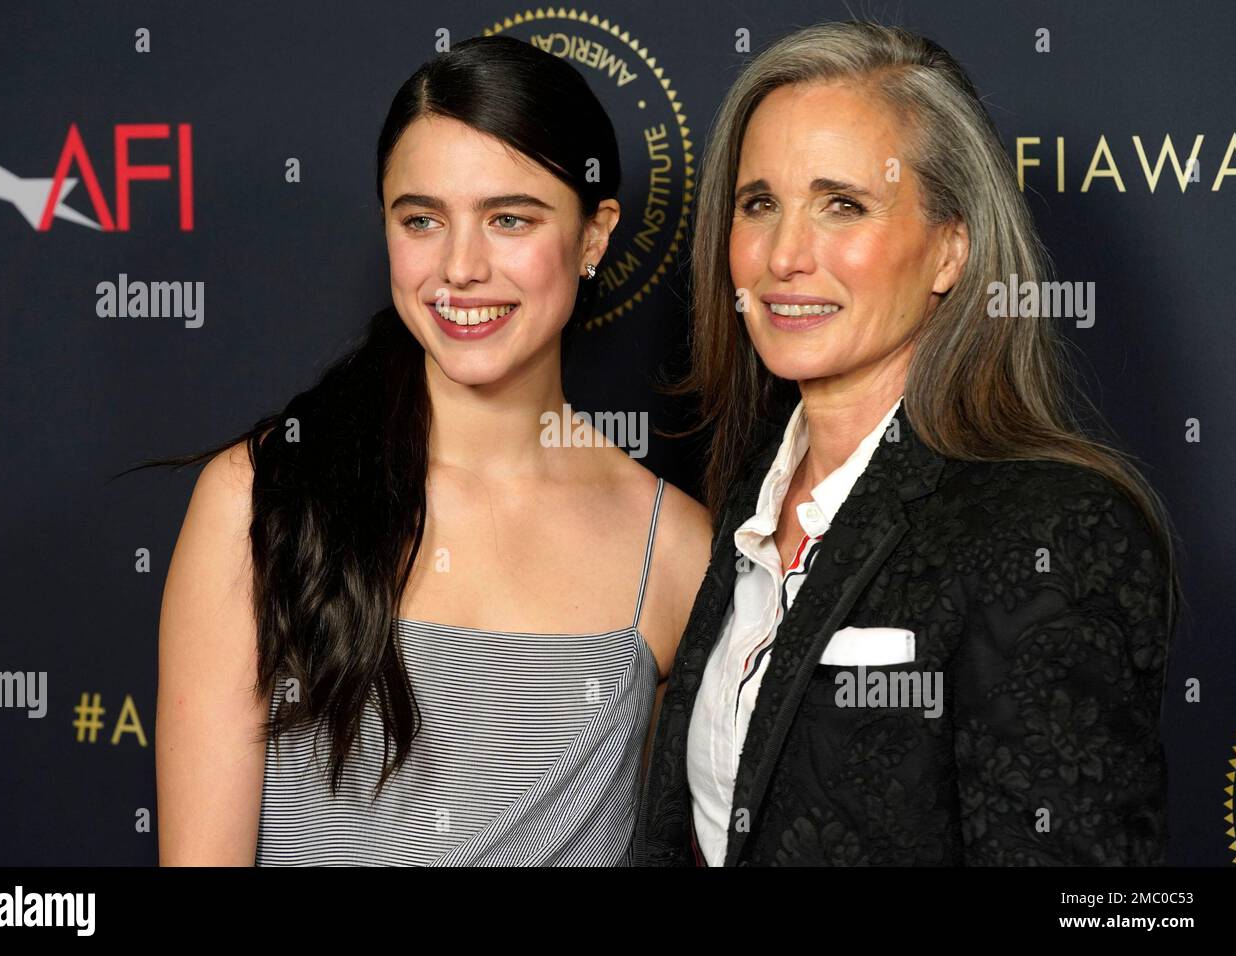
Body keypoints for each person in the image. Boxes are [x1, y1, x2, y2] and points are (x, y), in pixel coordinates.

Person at [150, 35, 711, 865]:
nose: (460, 267)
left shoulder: (678, 550)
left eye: (510, 219)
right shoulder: (261, 494)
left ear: (594, 237)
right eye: (422, 220)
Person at [634, 20, 1180, 866]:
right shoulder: (751, 497)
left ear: (949, 251)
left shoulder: (1052, 528)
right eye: (759, 204)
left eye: (842, 204)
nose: (784, 254)